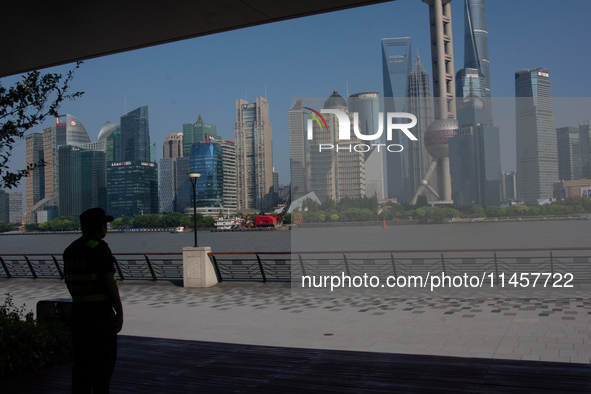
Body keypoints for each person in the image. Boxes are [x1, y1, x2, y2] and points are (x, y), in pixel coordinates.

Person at [64, 208, 123, 394]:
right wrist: (119, 313)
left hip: (78, 313)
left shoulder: (70, 249)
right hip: (99, 316)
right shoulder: (99, 248)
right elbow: (109, 284)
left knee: (81, 365)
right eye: (105, 224)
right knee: (102, 368)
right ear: (100, 227)